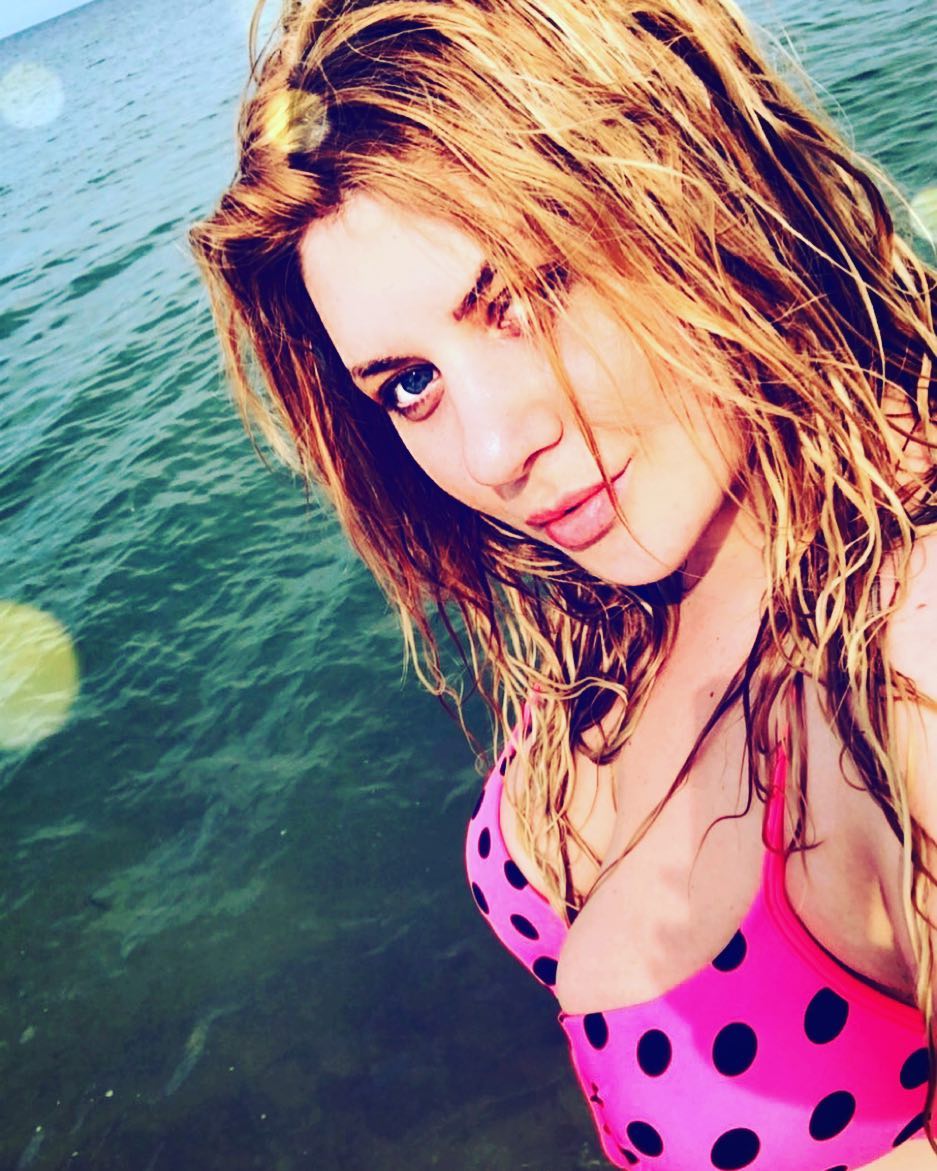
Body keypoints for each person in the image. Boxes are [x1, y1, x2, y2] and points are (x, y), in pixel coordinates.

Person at [190, 0, 937, 1166]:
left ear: (695, 190)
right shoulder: (621, 584)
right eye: (408, 384)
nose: (491, 451)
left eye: (528, 296)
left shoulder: (904, 662)